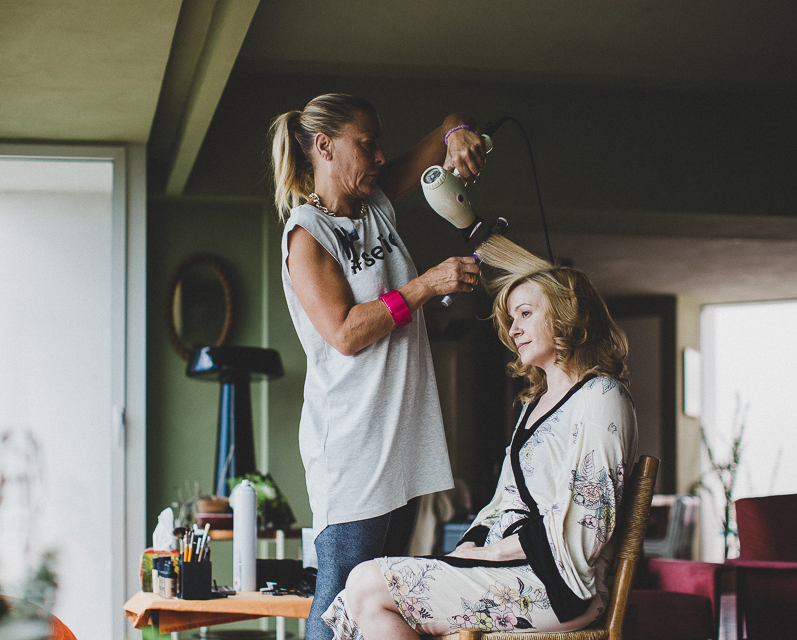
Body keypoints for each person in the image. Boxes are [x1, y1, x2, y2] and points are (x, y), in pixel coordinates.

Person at [321, 239, 638, 639]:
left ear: (565, 314)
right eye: (511, 319)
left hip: (558, 586)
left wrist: (492, 552)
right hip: (508, 569)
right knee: (361, 591)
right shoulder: (534, 404)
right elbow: (503, 501)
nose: (514, 328)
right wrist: (467, 549)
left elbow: (589, 524)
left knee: (367, 584)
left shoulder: (601, 397)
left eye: (525, 313)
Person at [269, 93, 487, 640]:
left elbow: (443, 124)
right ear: (324, 146)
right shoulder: (306, 236)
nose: (380, 156)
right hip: (352, 448)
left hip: (400, 443)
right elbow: (344, 332)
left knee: (381, 602)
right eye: (366, 145)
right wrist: (423, 287)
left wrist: (458, 131)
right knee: (341, 597)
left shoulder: (377, 207)